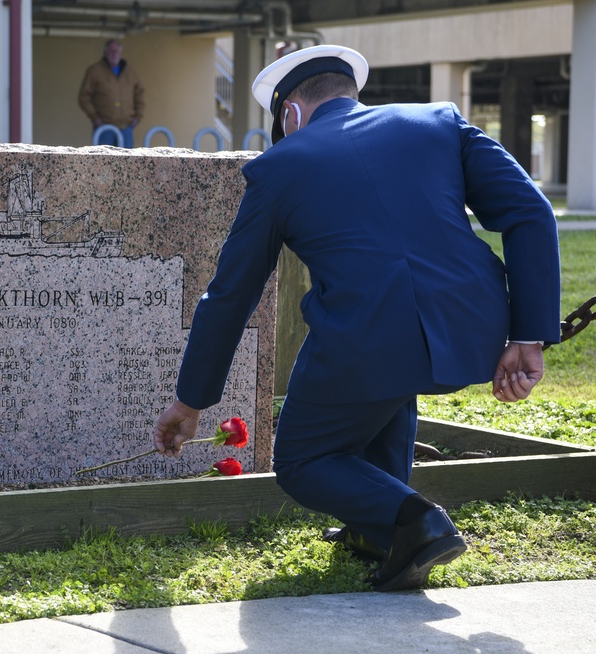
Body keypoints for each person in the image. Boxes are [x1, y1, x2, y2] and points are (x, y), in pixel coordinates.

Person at [152, 45, 561, 592]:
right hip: (474, 325)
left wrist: (191, 400)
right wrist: (526, 334)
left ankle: (415, 521)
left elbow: (231, 294)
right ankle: (376, 530)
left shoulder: (279, 166)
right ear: (350, 92)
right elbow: (531, 211)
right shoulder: (439, 120)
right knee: (387, 383)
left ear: (291, 112)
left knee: (302, 459)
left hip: (367, 336)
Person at [78, 40, 145, 148]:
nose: (114, 54)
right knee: (103, 162)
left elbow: (139, 93)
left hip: (126, 127)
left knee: (127, 162)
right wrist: (94, 117)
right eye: (111, 51)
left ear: (121, 53)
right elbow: (84, 96)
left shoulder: (130, 71)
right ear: (104, 53)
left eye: (117, 51)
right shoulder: (94, 71)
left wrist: (138, 116)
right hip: (104, 127)